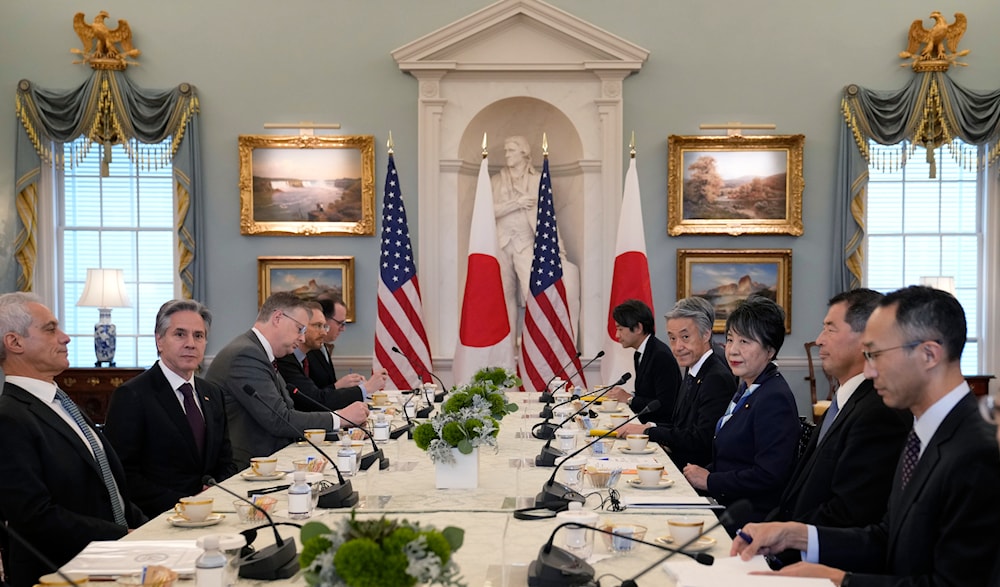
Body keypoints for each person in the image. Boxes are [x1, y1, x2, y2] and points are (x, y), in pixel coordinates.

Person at [732, 286, 1000, 587]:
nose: (869, 372)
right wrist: (795, 534)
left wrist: (841, 580)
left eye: (876, 355)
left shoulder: (977, 451)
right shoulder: (924, 433)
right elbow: (888, 537)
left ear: (928, 354)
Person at [0, 293, 146, 587]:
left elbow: (107, 486)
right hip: (62, 572)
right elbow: (34, 516)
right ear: (15, 343)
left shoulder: (63, 403)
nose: (65, 337)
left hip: (112, 558)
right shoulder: (9, 418)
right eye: (51, 329)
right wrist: (121, 535)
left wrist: (149, 526)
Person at [767, 289, 909, 564]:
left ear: (866, 338)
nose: (819, 340)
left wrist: (785, 542)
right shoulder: (844, 401)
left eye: (830, 330)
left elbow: (850, 512)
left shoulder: (879, 413)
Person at [104, 300, 239, 518]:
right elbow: (122, 473)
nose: (190, 344)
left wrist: (216, 491)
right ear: (159, 340)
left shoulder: (212, 393)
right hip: (159, 518)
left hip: (212, 512)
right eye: (179, 334)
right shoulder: (133, 395)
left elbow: (226, 462)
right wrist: (185, 504)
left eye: (198, 336)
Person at [206, 292, 370, 469]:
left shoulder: (260, 352)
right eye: (300, 329)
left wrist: (341, 432)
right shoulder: (246, 354)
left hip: (270, 458)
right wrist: (341, 418)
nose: (301, 338)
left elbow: (288, 411)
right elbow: (279, 420)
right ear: (277, 318)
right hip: (248, 467)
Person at [681, 295, 800, 533]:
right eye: (730, 339)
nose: (733, 350)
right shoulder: (748, 386)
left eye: (745, 342)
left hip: (751, 521)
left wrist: (709, 480)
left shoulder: (773, 397)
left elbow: (769, 475)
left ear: (770, 350)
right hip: (728, 504)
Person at [616, 297, 736, 468]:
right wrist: (648, 426)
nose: (677, 346)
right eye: (672, 338)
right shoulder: (692, 368)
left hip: (695, 472)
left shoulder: (716, 377)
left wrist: (649, 431)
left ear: (706, 334)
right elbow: (680, 425)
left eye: (685, 337)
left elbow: (701, 440)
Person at [490, 135, 579, 339]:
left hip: (527, 243)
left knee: (532, 293)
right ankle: (508, 343)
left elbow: (549, 217)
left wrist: (560, 251)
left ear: (524, 153)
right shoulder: (496, 180)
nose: (507, 155)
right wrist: (516, 203)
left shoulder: (538, 180)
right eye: (505, 151)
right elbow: (489, 210)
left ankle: (534, 341)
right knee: (503, 296)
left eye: (511, 150)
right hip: (502, 243)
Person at [280, 296, 385, 409]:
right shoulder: (285, 359)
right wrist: (366, 388)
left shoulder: (306, 354)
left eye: (324, 326)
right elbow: (315, 399)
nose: (324, 332)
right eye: (318, 326)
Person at [605, 299, 681, 425]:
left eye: (620, 329)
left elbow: (665, 405)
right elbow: (646, 393)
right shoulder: (641, 352)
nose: (617, 335)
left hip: (660, 428)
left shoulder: (660, 355)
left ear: (638, 328)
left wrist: (629, 399)